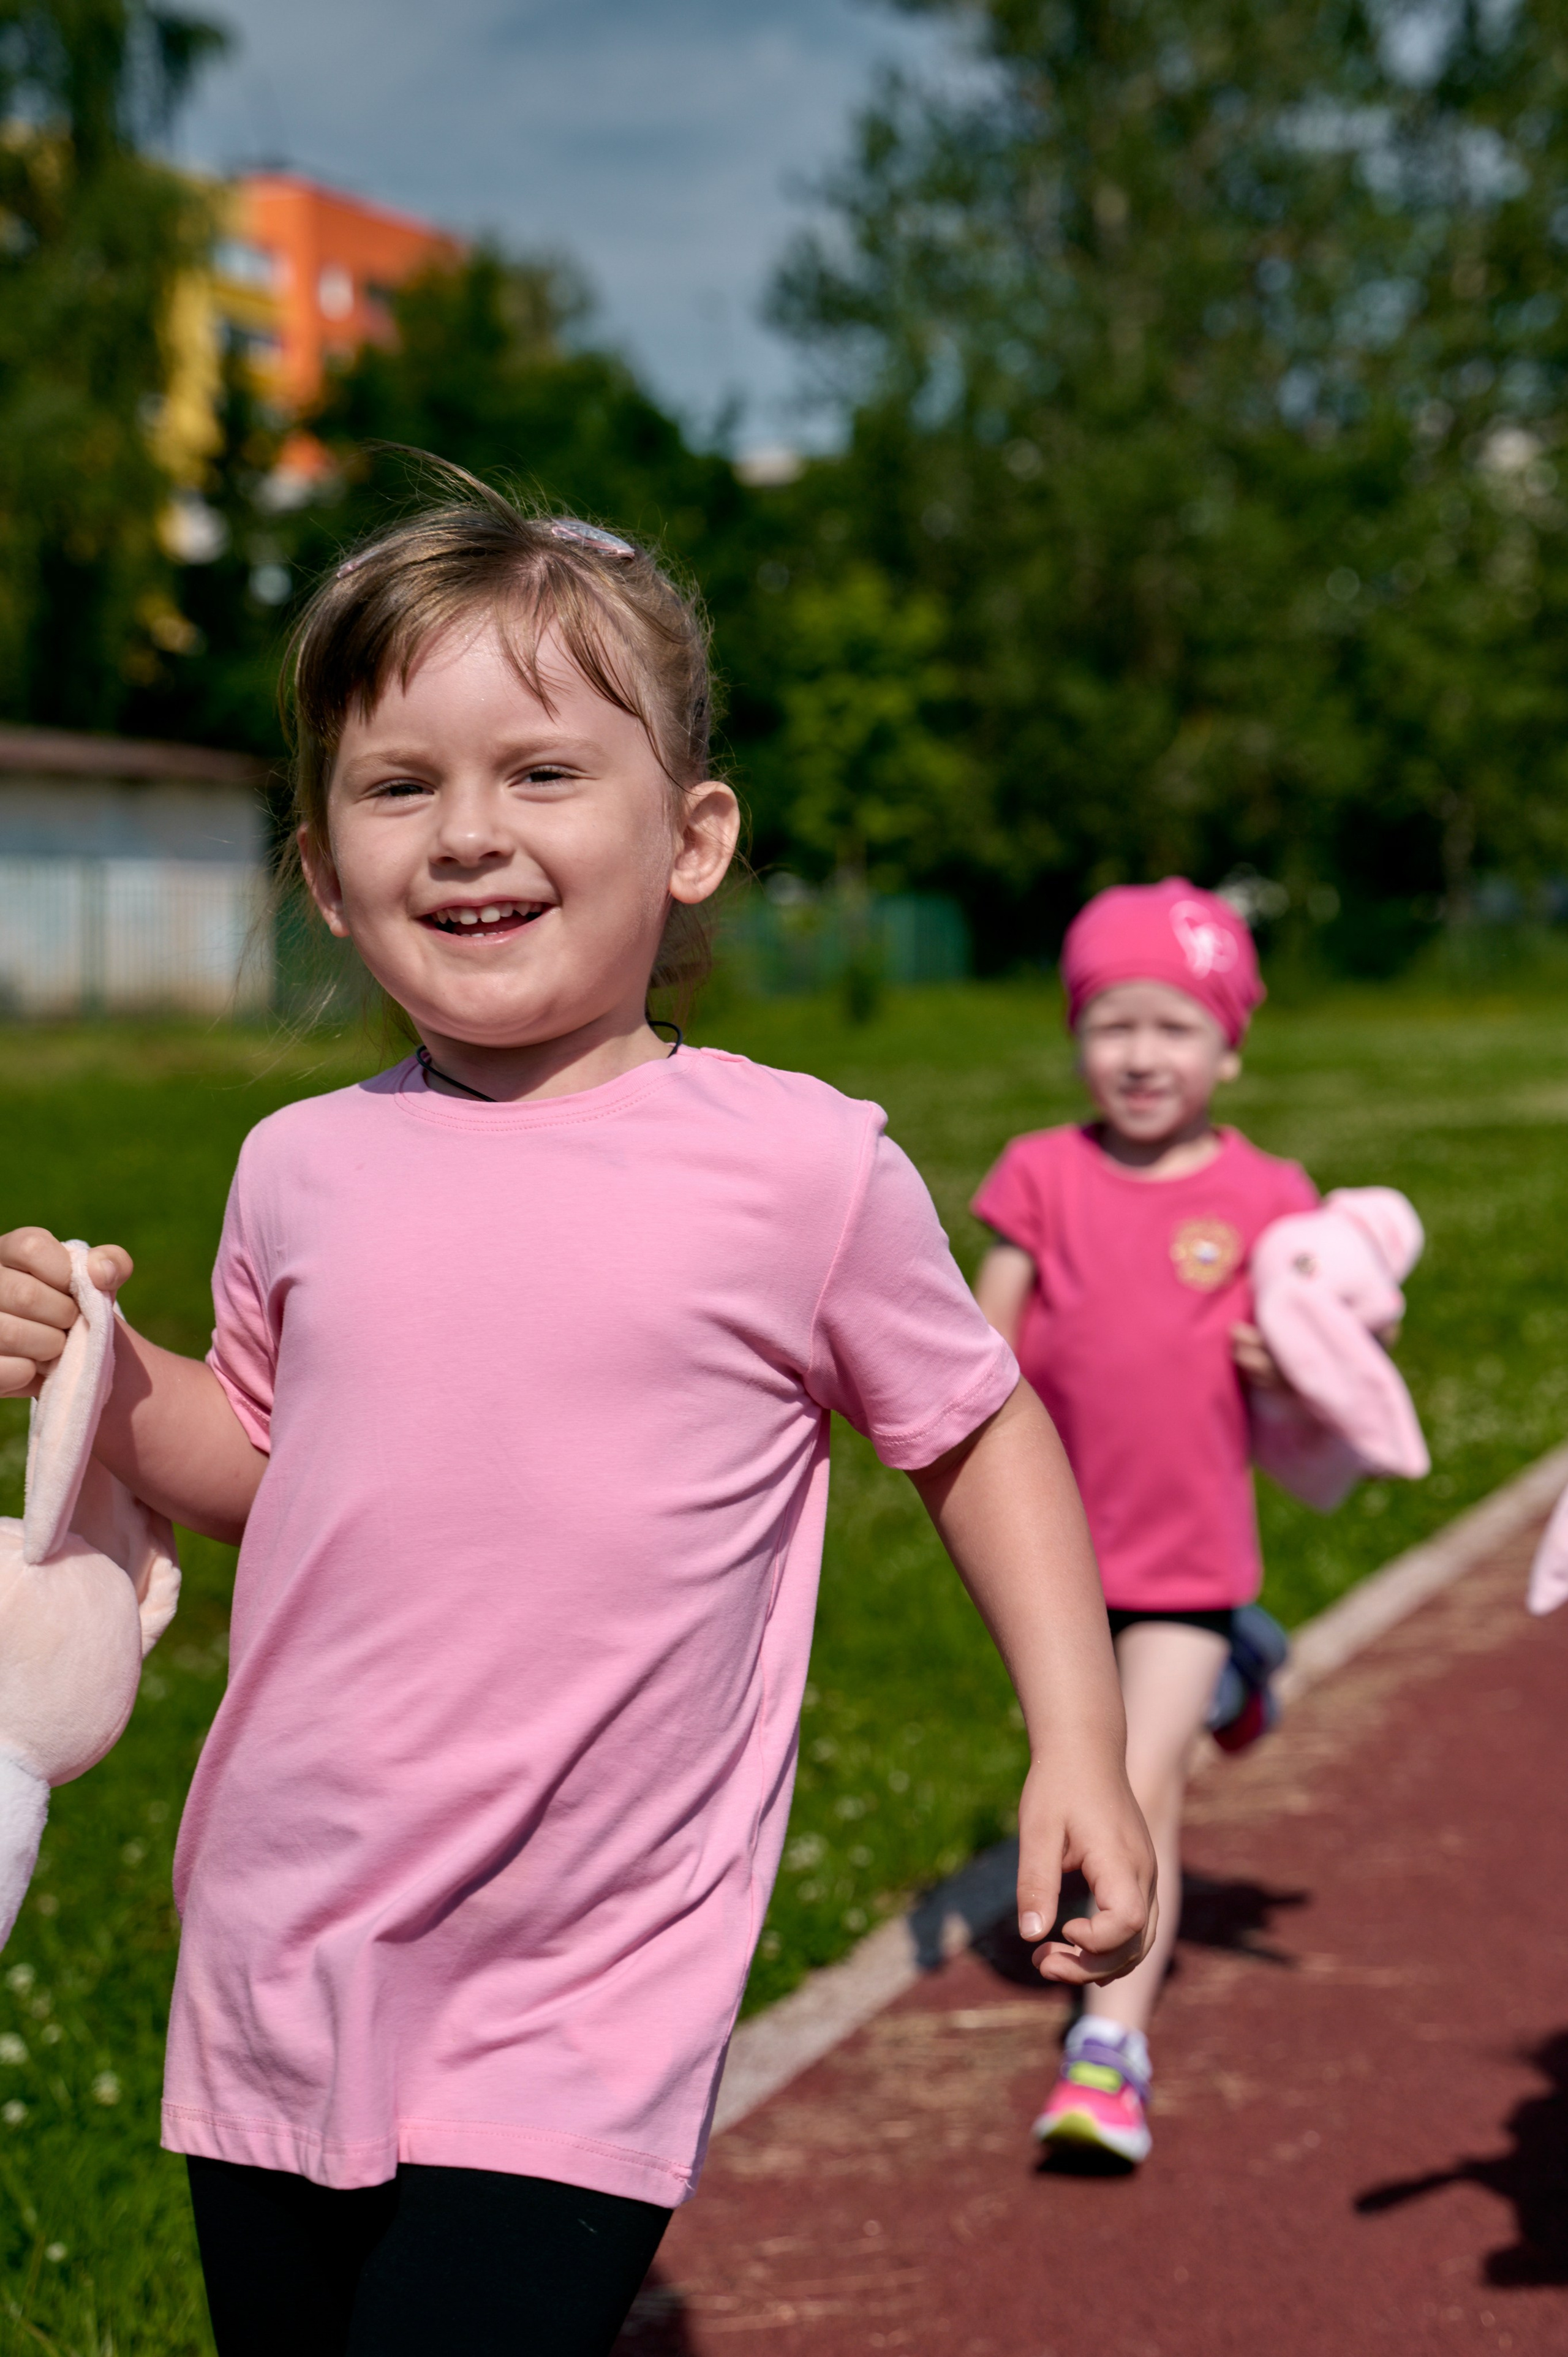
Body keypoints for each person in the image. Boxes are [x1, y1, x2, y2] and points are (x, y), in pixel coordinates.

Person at [0, 470, 1155, 2357]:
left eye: (541, 773)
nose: (468, 835)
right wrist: (108, 1378)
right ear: (319, 871)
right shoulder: (299, 1165)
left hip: (584, 1986)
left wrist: (1081, 1739)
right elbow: (267, 1471)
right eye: (398, 786)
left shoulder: (800, 1167)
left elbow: (973, 1432)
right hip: (281, 1946)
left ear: (690, 838)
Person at [972, 878, 1317, 2170]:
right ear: (1075, 1036)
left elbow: (1323, 1343)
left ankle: (1107, 2049)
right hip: (1054, 1561)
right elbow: (972, 1351)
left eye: (1173, 1027)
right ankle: (1246, 1663)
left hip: (1185, 1560)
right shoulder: (1037, 1178)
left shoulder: (1270, 1193)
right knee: (1096, 1753)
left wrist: (1288, 1359)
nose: (1139, 1054)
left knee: (1129, 1781)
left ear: (1227, 1047)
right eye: (1112, 1023)